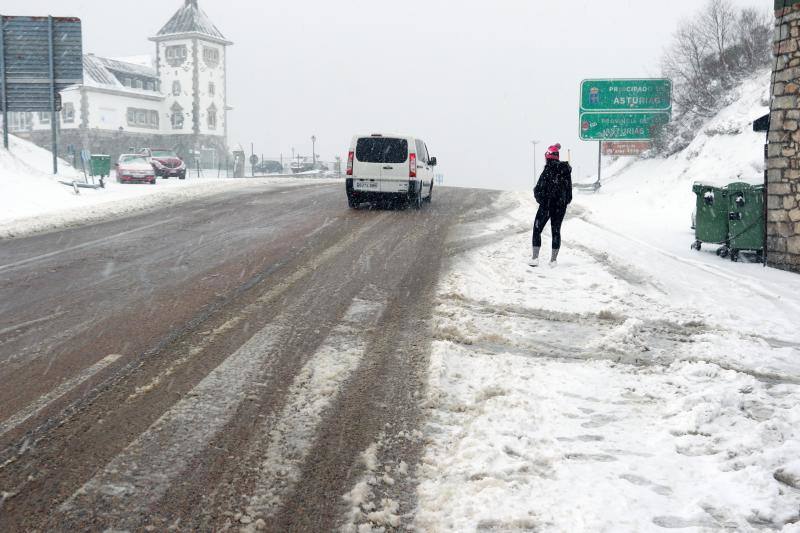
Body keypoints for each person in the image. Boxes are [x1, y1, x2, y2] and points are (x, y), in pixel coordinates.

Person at [530, 143, 573, 267]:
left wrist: (542, 200)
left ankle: (535, 258)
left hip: (547, 205)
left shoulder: (548, 170)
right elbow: (569, 191)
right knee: (556, 230)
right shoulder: (565, 171)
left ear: (548, 157)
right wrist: (564, 202)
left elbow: (538, 189)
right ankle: (553, 260)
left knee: (537, 229)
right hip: (560, 206)